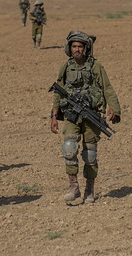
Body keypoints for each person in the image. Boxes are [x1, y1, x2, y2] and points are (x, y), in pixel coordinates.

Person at [50, 31, 121, 204]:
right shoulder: (66, 67)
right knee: (69, 148)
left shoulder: (96, 66)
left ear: (86, 48)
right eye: (74, 46)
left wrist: (114, 108)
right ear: (69, 48)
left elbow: (107, 88)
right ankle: (73, 187)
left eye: (80, 46)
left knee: (90, 154)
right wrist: (53, 115)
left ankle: (89, 189)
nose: (77, 49)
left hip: (91, 114)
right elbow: (58, 93)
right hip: (71, 115)